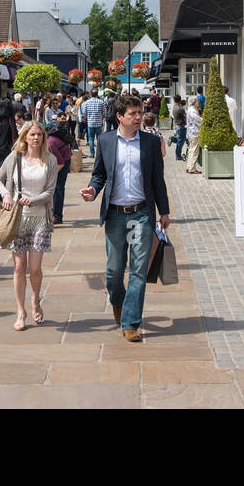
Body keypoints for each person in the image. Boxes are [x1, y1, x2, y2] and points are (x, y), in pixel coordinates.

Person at [80, 94, 170, 341]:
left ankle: (130, 322)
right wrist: (92, 190)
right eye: (133, 114)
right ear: (119, 116)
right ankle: (117, 301)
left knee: (139, 270)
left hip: (142, 213)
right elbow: (99, 174)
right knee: (114, 270)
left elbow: (157, 180)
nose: (139, 117)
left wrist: (164, 211)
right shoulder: (106, 140)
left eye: (140, 113)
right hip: (115, 214)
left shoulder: (151, 143)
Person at [0, 121, 60, 330]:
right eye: (32, 135)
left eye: (39, 135)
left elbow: (50, 192)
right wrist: (6, 193)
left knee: (35, 268)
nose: (36, 138)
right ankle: (20, 311)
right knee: (19, 267)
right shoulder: (14, 158)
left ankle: (35, 299)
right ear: (24, 137)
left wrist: (34, 200)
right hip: (18, 218)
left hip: (40, 217)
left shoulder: (50, 160)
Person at [46, 119, 71, 224]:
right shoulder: (50, 140)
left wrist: (51, 174)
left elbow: (60, 163)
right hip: (61, 158)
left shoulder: (50, 142)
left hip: (63, 161)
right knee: (56, 188)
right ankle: (54, 214)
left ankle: (57, 216)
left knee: (58, 188)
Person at [184, 97, 203, 173]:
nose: (198, 102)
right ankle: (192, 168)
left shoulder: (191, 109)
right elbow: (198, 121)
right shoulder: (193, 111)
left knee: (191, 150)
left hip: (191, 133)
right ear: (194, 102)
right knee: (194, 151)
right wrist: (204, 120)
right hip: (194, 133)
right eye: (197, 101)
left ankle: (189, 167)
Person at [171, 95, 187, 161]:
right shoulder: (180, 109)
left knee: (181, 139)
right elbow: (185, 115)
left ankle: (172, 138)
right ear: (180, 100)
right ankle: (178, 156)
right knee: (181, 141)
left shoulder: (174, 107)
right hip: (181, 126)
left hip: (177, 125)